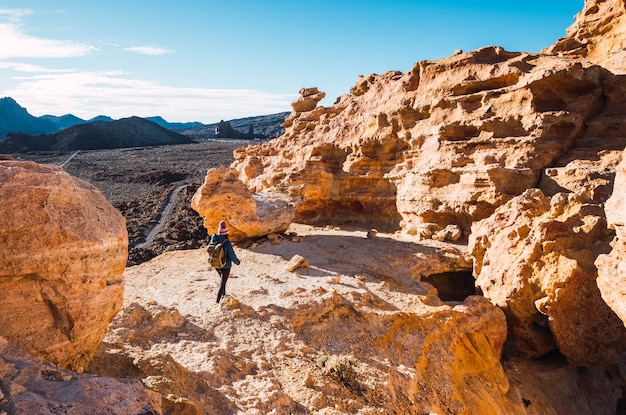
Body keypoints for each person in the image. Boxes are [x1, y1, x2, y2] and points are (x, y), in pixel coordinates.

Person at [210, 220, 240, 303]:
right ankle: (217, 301)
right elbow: (231, 255)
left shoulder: (213, 239)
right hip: (225, 266)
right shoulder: (227, 243)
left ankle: (223, 295)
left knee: (223, 281)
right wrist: (237, 262)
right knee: (222, 283)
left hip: (216, 264)